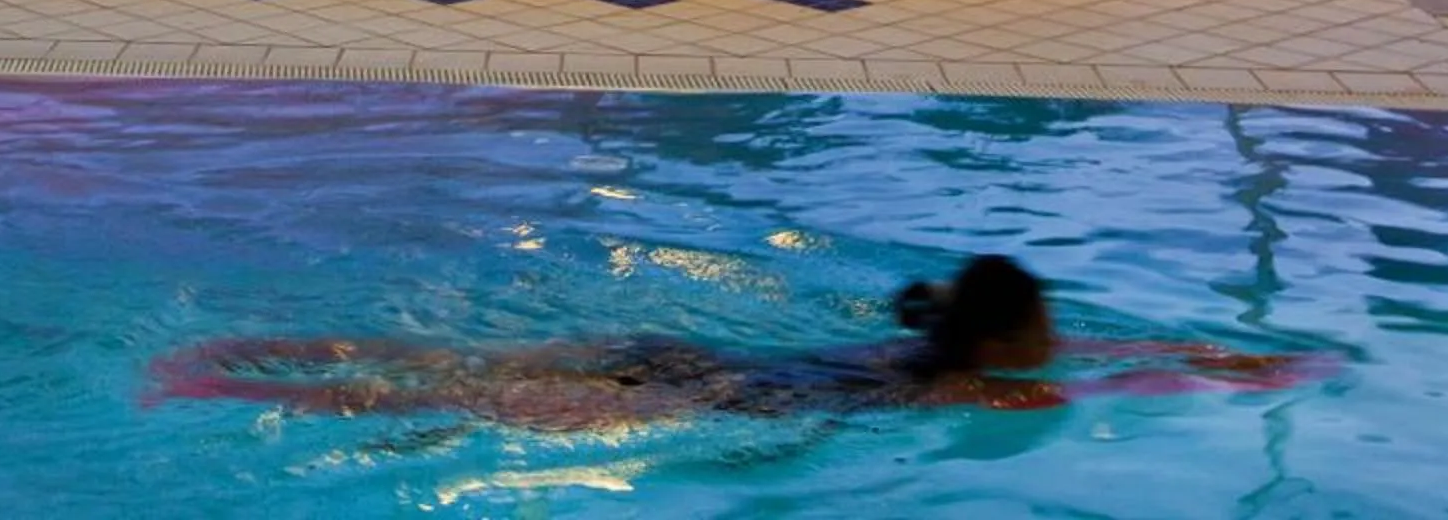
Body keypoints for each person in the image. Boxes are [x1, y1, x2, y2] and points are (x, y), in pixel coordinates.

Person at [147, 254, 1334, 429]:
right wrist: (1232, 372)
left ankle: (257, 347)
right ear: (1011, 339)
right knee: (468, 402)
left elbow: (1128, 346)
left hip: (677, 346)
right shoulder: (974, 391)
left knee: (460, 369)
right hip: (716, 395)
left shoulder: (945, 346)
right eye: (1050, 324)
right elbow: (1111, 373)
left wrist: (1235, 357)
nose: (1063, 336)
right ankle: (236, 387)